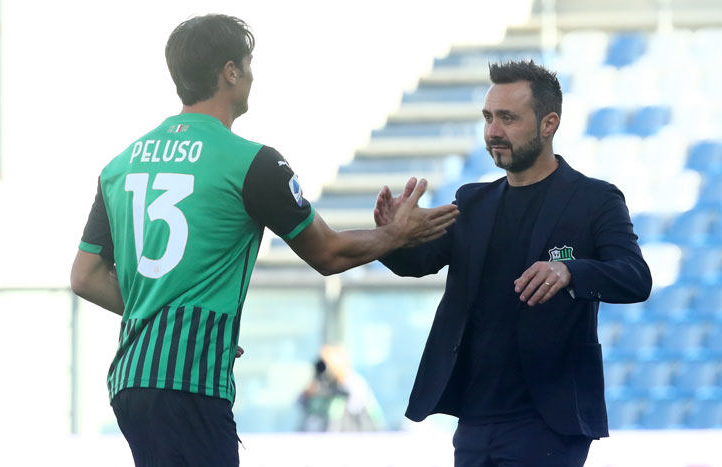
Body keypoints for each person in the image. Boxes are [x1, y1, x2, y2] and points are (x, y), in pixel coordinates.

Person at [69, 14, 458, 467]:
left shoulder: (120, 165)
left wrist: (158, 316)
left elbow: (85, 276)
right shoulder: (251, 163)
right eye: (248, 64)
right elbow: (328, 254)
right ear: (230, 71)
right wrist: (396, 234)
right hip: (190, 383)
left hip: (130, 380)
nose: (252, 76)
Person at [374, 60, 652, 467]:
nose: (493, 131)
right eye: (488, 117)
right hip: (474, 419)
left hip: (548, 423)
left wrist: (571, 270)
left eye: (507, 118)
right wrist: (391, 236)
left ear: (548, 123)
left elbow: (635, 277)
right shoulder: (472, 202)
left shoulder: (596, 200)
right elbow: (418, 263)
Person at [298, 345, 385, 432]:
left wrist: (339, 380)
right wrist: (310, 391)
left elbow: (354, 404)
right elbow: (301, 403)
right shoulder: (320, 384)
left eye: (328, 362)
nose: (325, 366)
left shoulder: (353, 382)